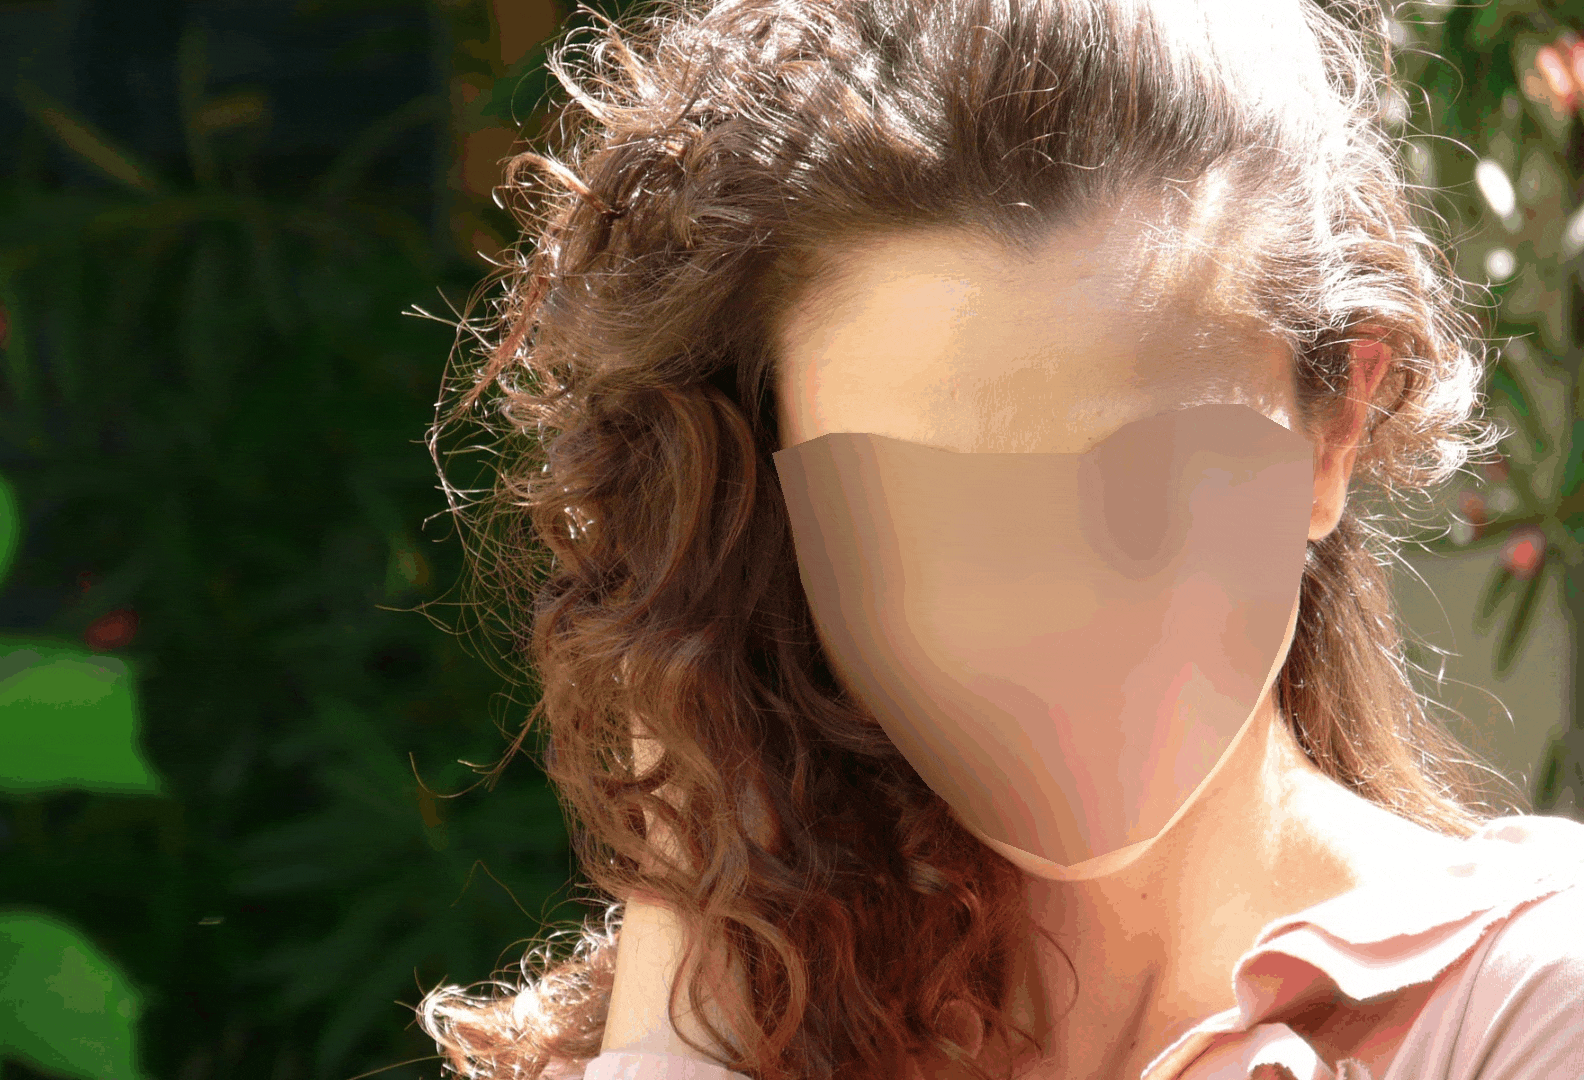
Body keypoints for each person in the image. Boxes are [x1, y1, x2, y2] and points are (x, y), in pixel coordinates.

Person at [417, 1, 1584, 1078]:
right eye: (919, 508)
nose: (1045, 611)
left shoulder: (1532, 1004)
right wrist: (696, 870)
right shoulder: (715, 1025)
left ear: (1332, 433)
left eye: (1148, 485)